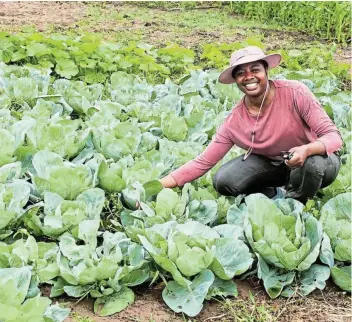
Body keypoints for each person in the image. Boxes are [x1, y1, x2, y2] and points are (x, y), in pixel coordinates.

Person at [159, 46, 342, 203]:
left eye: (255, 70)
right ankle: (275, 194)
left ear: (266, 71)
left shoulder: (295, 93)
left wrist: (307, 150)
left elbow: (334, 137)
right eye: (241, 73)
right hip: (275, 166)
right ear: (236, 80)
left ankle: (298, 202)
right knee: (225, 180)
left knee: (313, 164)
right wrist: (158, 186)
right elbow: (203, 162)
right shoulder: (235, 120)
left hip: (318, 160)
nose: (249, 77)